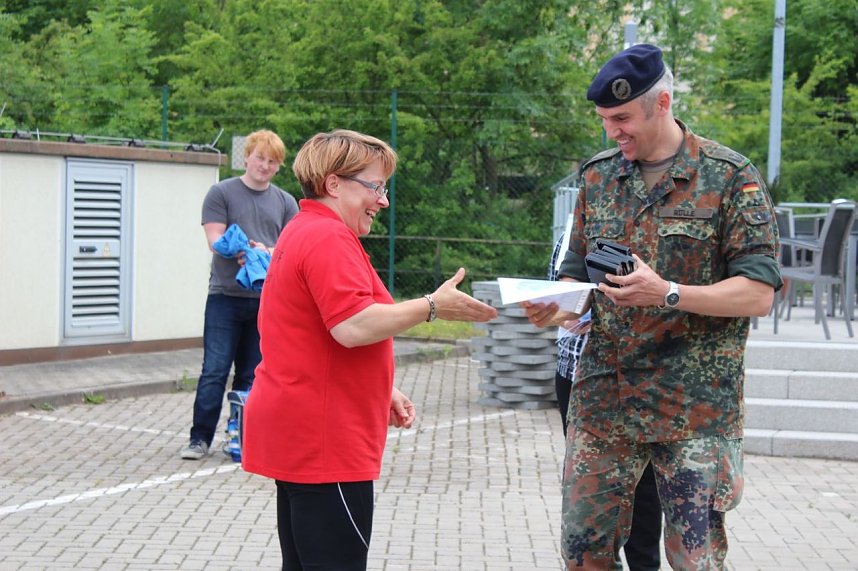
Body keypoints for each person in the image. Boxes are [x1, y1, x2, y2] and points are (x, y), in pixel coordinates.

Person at [524, 44, 782, 569]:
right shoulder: (597, 177)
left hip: (695, 404)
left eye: (621, 119)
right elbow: (576, 275)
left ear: (661, 102)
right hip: (605, 397)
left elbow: (759, 293)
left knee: (694, 558)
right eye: (603, 120)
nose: (611, 132)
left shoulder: (730, 177)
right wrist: (557, 308)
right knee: (582, 552)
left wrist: (667, 292)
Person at [241, 129, 498, 570]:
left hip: (302, 430)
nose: (383, 201)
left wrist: (381, 388)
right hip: (325, 440)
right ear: (334, 183)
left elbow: (313, 332)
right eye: (375, 187)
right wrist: (434, 306)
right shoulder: (327, 238)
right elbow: (351, 325)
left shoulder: (305, 229)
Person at [180, 129, 299, 460]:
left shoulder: (286, 202)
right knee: (215, 370)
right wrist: (240, 249)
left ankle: (243, 437)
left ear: (279, 167)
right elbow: (214, 238)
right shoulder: (221, 193)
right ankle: (199, 438)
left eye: (272, 161)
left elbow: (292, 248)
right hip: (225, 296)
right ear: (246, 156)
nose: (264, 165)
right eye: (260, 157)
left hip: (266, 301)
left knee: (252, 374)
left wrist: (267, 251)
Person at [549, 234, 663, 571]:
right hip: (577, 373)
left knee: (644, 489)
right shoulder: (571, 232)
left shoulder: (647, 221)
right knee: (589, 489)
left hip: (640, 377)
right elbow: (564, 309)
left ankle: (645, 564)